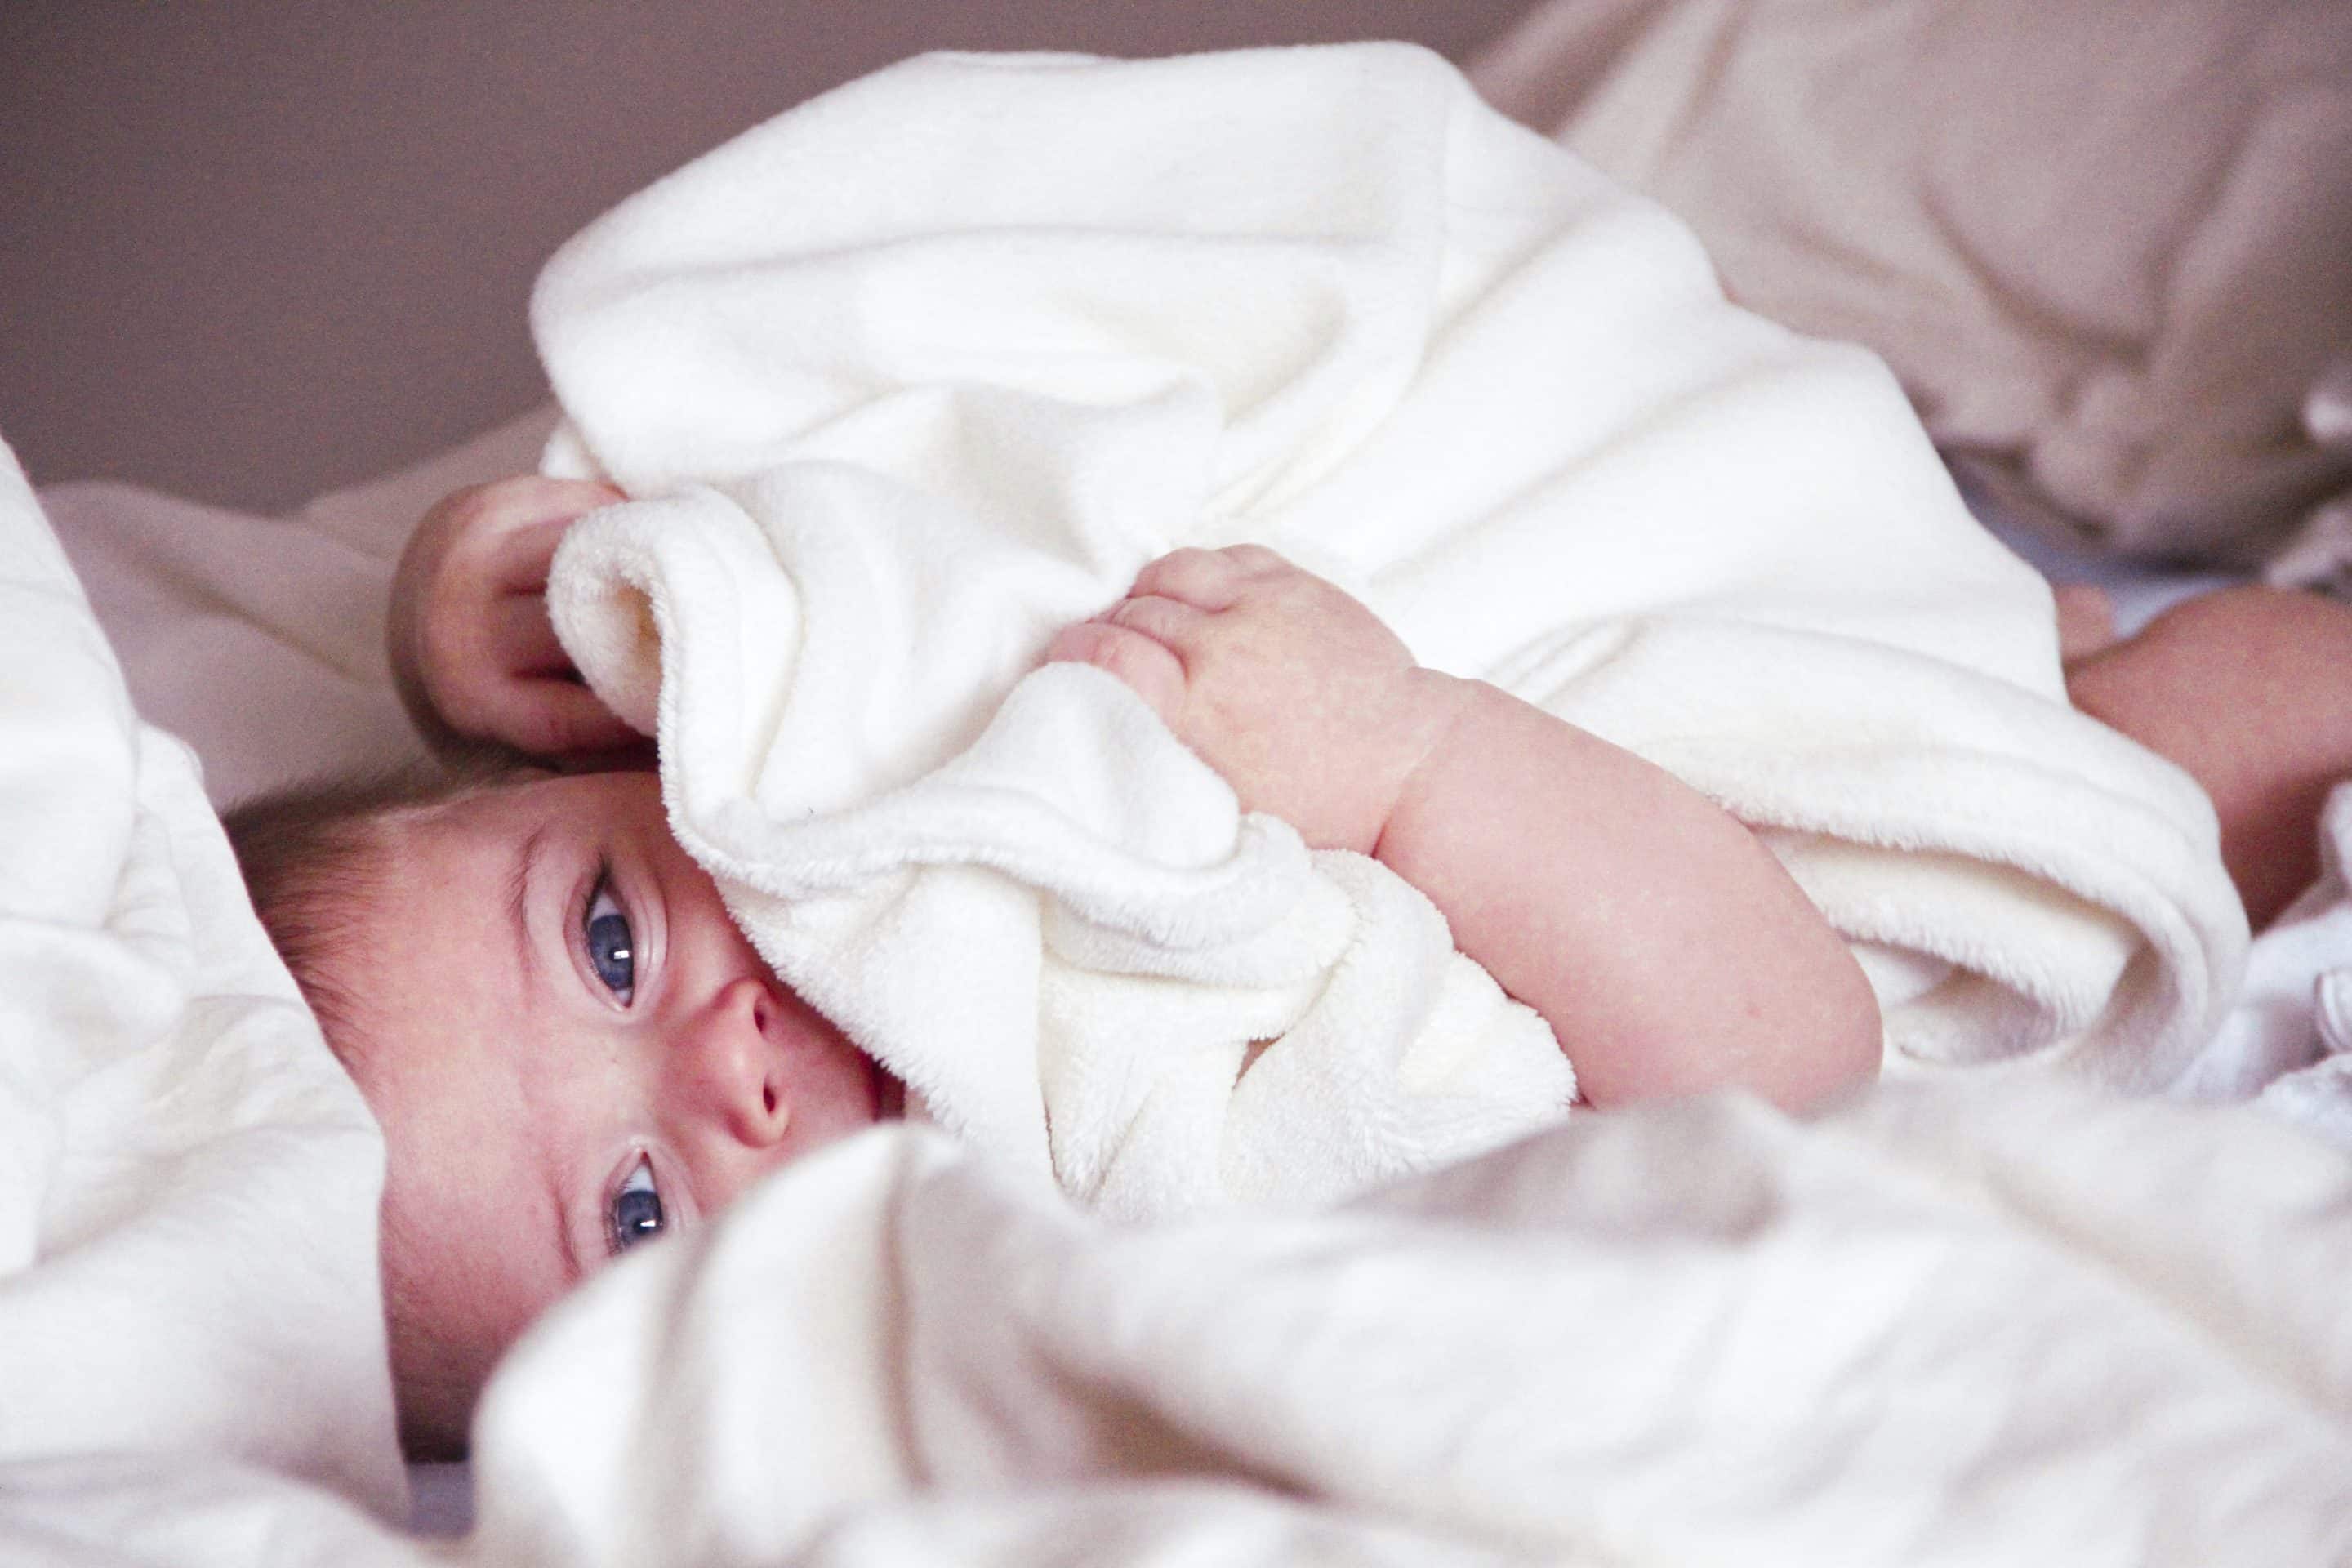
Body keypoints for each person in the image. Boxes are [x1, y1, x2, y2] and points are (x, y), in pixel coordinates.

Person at [230, 476, 2352, 1456]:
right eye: (635, 1208)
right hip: (1783, 866)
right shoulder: (1112, 1208)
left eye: (606, 937)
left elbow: (790, 511)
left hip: (1694, 609)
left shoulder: (847, 755)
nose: (726, 1075)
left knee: (2046, 635)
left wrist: (492, 598)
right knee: (2213, 722)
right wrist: (1407, 761)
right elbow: (1782, 1076)